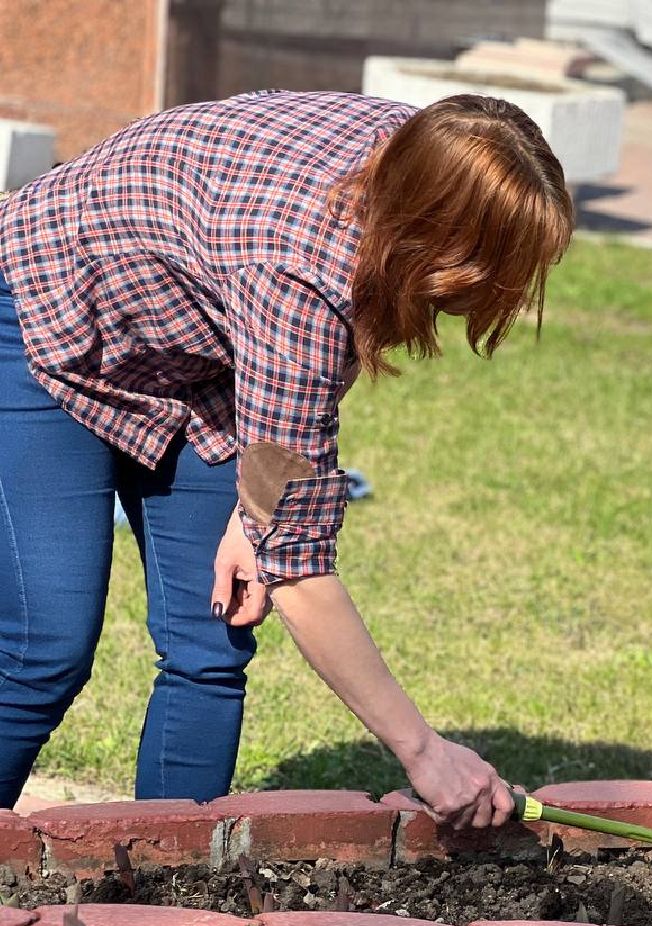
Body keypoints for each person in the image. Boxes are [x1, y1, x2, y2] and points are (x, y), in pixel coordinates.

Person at [0, 91, 574, 830]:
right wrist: (424, 751)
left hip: (193, 348)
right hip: (43, 308)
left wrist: (255, 510)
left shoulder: (426, 155)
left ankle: (161, 886)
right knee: (44, 647)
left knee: (211, 643)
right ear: (434, 235)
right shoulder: (297, 271)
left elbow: (316, 371)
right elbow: (299, 571)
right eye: (493, 265)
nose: (506, 288)